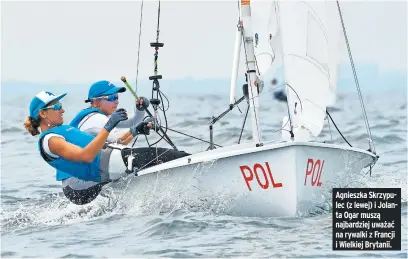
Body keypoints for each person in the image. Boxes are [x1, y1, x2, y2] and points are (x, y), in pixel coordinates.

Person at [23, 90, 151, 205]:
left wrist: (135, 131)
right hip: (78, 186)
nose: (62, 110)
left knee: (142, 158)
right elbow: (87, 156)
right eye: (57, 107)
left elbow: (105, 146)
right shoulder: (50, 140)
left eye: (61, 106)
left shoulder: (63, 131)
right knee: (148, 158)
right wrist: (109, 125)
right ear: (42, 114)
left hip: (92, 175)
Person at [70, 80, 151, 145]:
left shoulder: (100, 115)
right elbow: (119, 141)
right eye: (111, 97)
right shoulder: (97, 119)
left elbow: (132, 122)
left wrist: (140, 109)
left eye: (116, 97)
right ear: (96, 102)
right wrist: (136, 130)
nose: (117, 102)